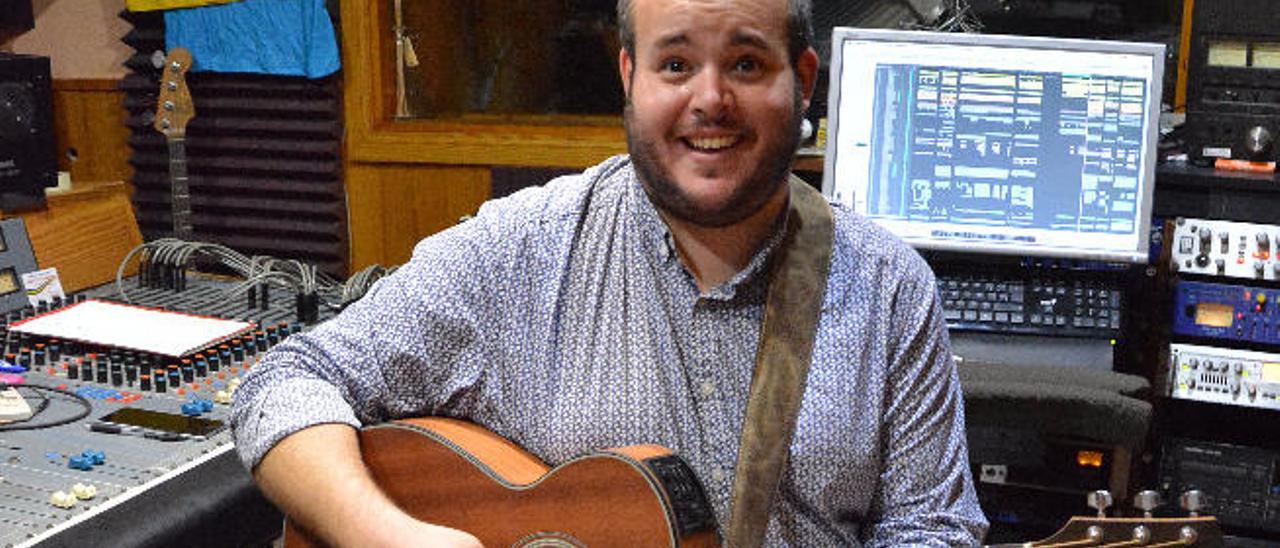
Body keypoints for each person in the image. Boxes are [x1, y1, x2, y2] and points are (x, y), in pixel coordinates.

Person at [231, 0, 988, 545]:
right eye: (676, 64)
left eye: (748, 63)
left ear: (805, 79)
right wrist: (388, 537)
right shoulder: (519, 253)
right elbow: (285, 381)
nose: (710, 100)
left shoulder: (889, 287)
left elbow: (933, 527)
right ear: (630, 75)